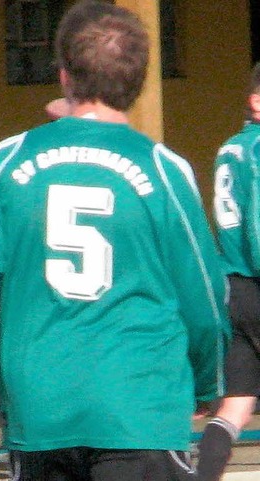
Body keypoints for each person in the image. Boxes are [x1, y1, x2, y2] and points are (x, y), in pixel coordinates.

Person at [0, 2, 231, 480]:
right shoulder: (165, 171)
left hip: (42, 410)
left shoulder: (10, 161)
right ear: (140, 79)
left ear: (64, 77)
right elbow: (206, 299)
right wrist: (208, 378)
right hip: (139, 407)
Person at [196, 61, 260, 481]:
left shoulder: (229, 147)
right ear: (256, 100)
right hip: (255, 281)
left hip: (231, 288)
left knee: (235, 405)